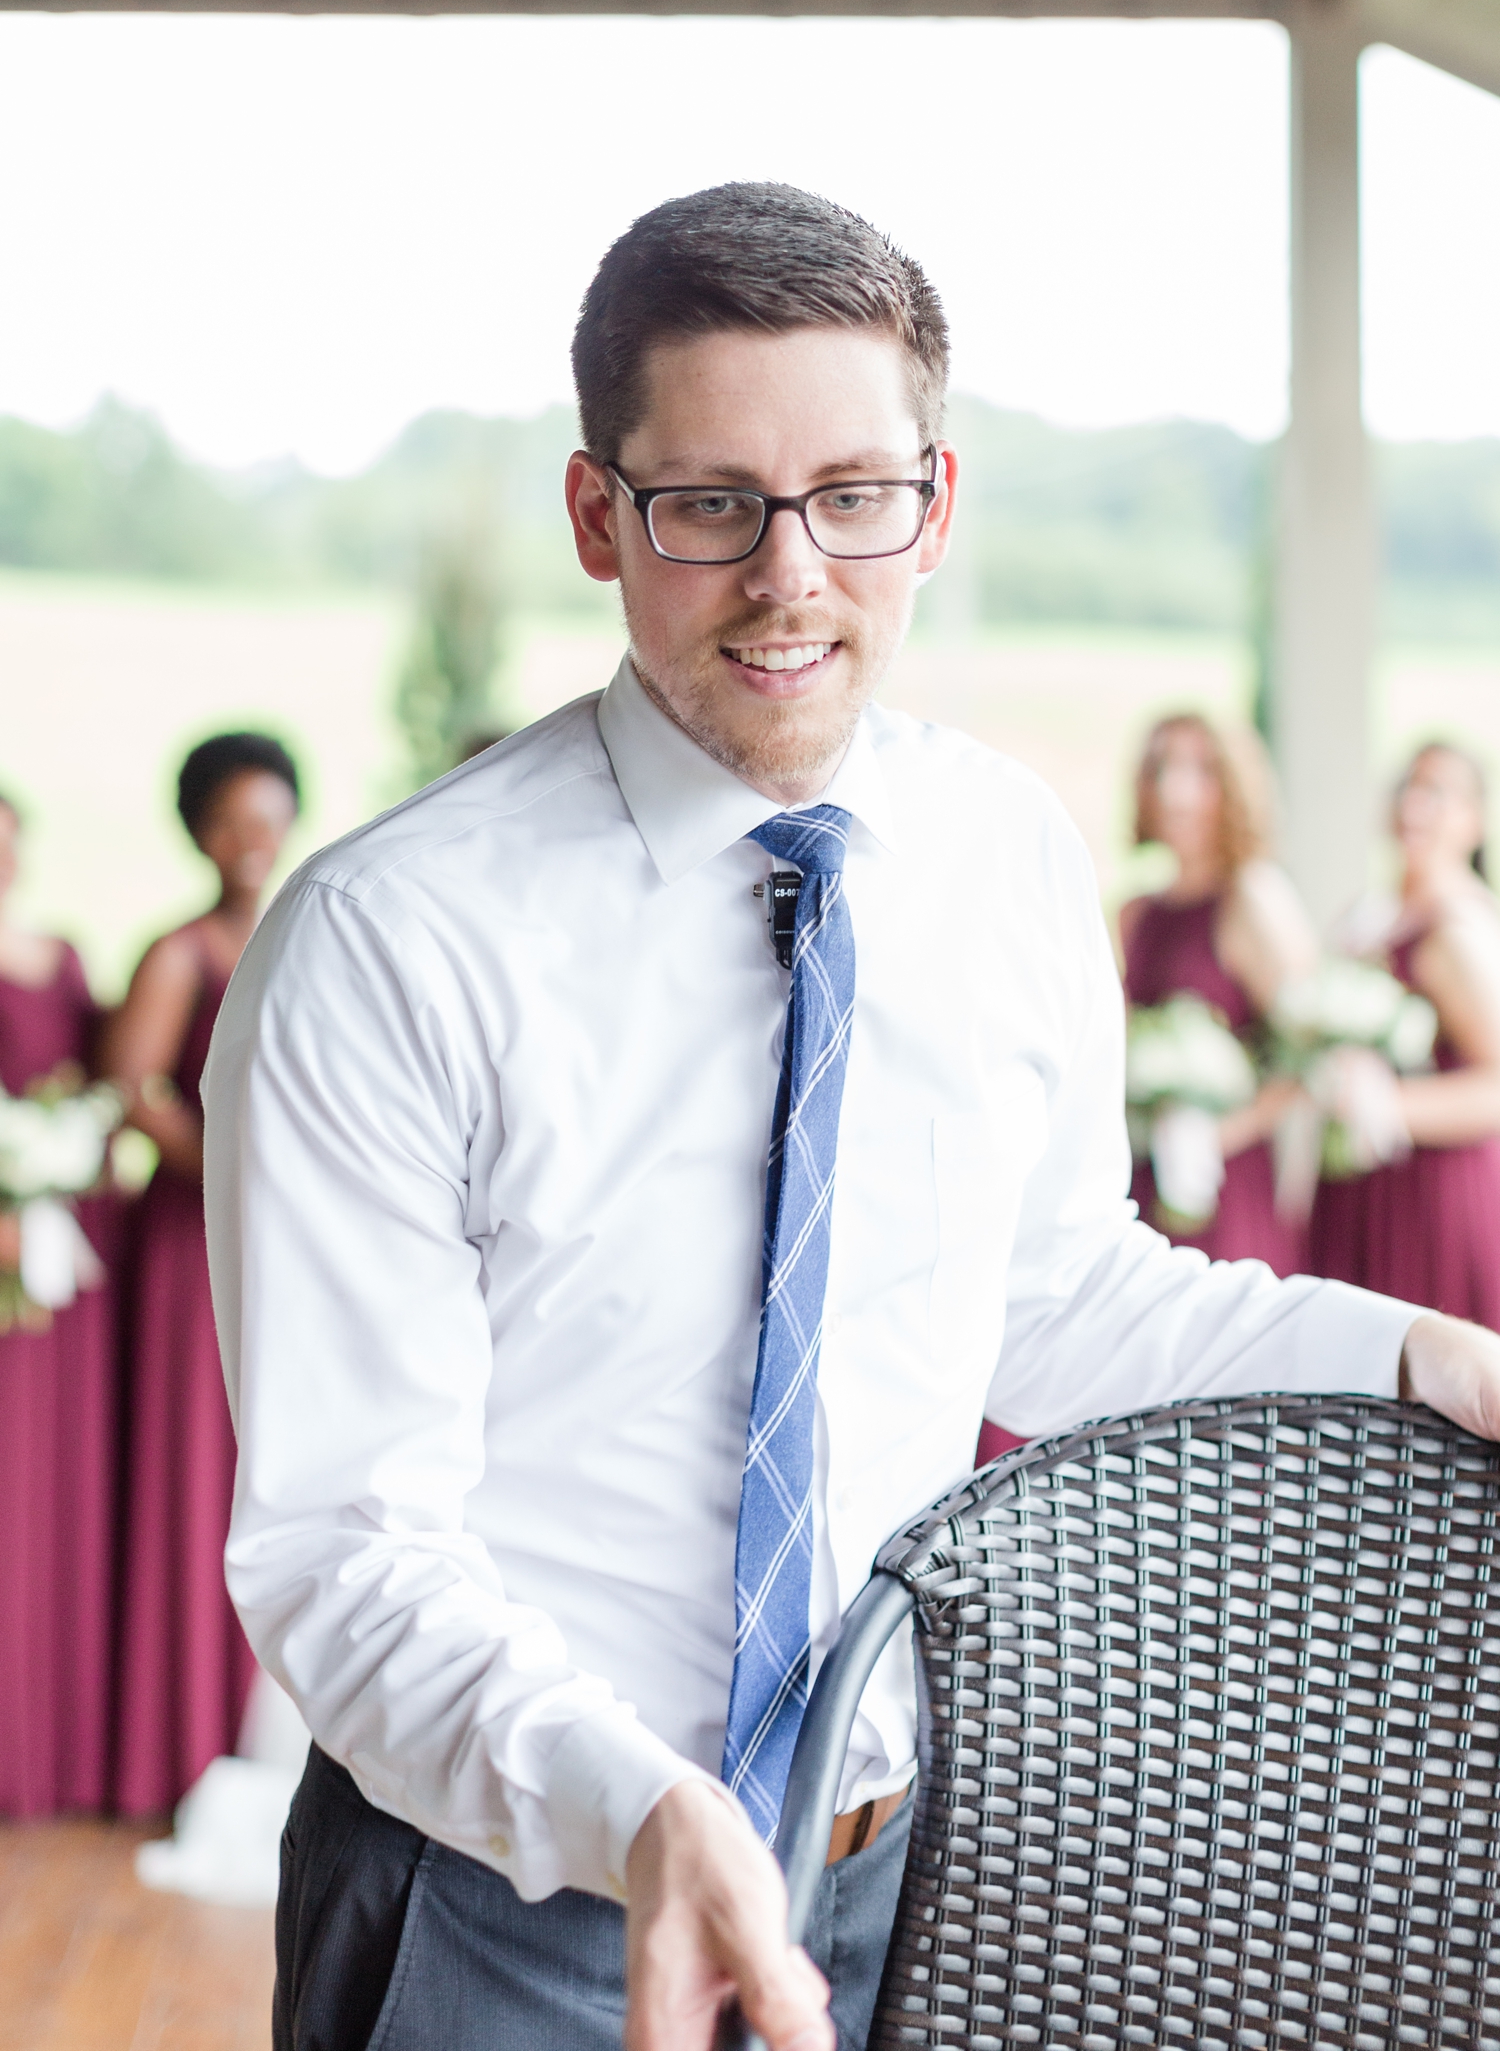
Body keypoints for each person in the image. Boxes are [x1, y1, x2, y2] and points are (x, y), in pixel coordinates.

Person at [205, 184, 1500, 2051]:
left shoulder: (1008, 858)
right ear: (600, 517)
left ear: (936, 505)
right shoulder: (389, 941)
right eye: (711, 502)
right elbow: (344, 1548)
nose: (792, 575)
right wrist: (643, 1816)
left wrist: (1421, 1356)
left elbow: (1058, 1300)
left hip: (906, 1882)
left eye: (854, 498)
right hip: (504, 1906)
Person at [108, 732, 300, 1816]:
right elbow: (136, 1088)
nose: (252, 843)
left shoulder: (295, 929)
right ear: (199, 832)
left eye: (268, 820)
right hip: (188, 1248)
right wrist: (225, 1168)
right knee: (190, 1473)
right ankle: (167, 1742)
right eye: (232, 823)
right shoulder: (178, 953)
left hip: (264, 1248)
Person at [0, 790, 121, 1817]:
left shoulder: (65, 957)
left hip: (55, 1267)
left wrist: (61, 1167)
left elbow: (93, 1086)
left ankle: (43, 1746)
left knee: (44, 1503)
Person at [1309, 741, 1500, 1326]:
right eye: (1406, 788)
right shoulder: (1368, 915)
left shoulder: (1459, 933)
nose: (1413, 806)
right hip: (1359, 1184)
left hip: (1434, 1196)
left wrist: (1384, 1101)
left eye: (1436, 792)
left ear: (1473, 820)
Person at [1119, 712, 1316, 1275]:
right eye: (1162, 768)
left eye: (1199, 770)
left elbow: (1308, 1057)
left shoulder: (1254, 898)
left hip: (1227, 1184)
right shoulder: (1134, 913)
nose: (1175, 790)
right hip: (1143, 1181)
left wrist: (1213, 1134)